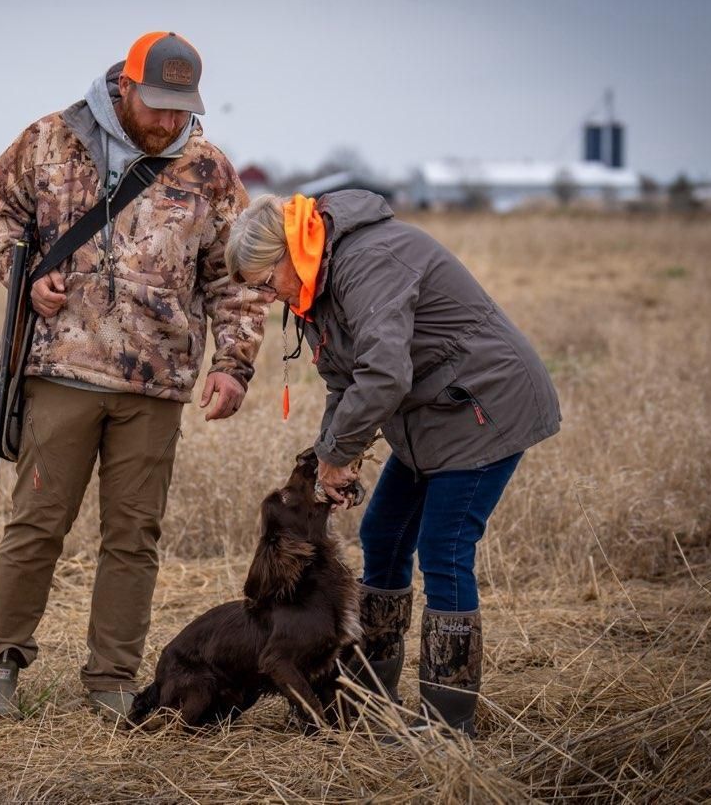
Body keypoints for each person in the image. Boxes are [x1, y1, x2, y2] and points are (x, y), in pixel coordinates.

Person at [0, 32, 265, 720]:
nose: (169, 120)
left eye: (181, 108)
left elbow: (238, 277)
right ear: (124, 87)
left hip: (156, 387)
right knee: (37, 525)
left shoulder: (209, 170)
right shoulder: (49, 141)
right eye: (157, 104)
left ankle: (111, 681)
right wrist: (25, 275)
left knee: (134, 538)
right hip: (60, 372)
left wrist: (234, 365)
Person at [225, 190, 560, 736]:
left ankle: (447, 725)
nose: (267, 296)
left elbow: (383, 374)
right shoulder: (313, 286)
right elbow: (343, 382)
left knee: (444, 549)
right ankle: (369, 699)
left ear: (287, 251)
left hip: (483, 407)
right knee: (382, 535)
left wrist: (339, 453)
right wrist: (332, 458)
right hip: (429, 416)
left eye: (265, 282)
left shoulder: (369, 261)